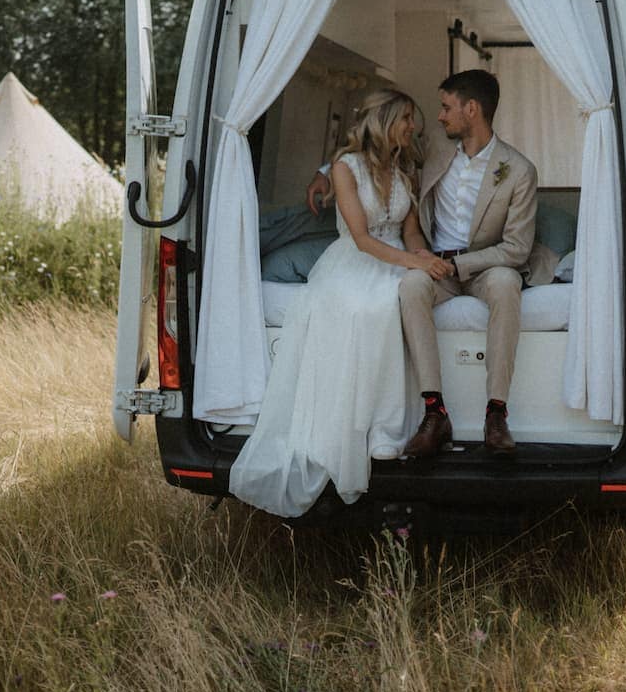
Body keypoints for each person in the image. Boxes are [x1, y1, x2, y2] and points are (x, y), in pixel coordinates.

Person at [229, 89, 449, 518]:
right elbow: (363, 239)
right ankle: (353, 431)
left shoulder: (405, 171)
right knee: (365, 308)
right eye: (406, 118)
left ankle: (386, 429)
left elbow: (410, 233)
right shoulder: (346, 169)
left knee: (397, 299)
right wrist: (410, 261)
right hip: (354, 261)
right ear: (385, 121)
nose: (413, 127)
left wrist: (421, 258)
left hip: (395, 259)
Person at [307, 69, 541, 459]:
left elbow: (516, 248)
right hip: (433, 262)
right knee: (411, 285)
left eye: (446, 107)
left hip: (485, 265)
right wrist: (324, 172)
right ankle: (435, 412)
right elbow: (372, 145)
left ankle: (496, 413)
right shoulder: (433, 146)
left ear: (471, 109)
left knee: (506, 282)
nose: (437, 117)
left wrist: (461, 265)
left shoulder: (518, 170)